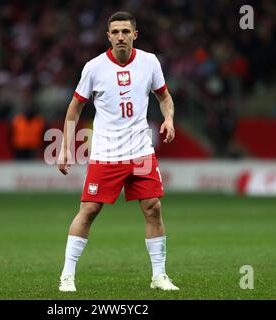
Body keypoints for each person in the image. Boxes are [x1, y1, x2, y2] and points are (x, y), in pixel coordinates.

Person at [57, 11, 178, 292]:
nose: (121, 36)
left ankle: (159, 276)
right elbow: (75, 107)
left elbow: (164, 96)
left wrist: (169, 118)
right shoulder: (94, 67)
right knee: (88, 210)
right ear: (108, 36)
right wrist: (65, 148)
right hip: (106, 152)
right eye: (116, 32)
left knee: (153, 208)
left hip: (140, 151)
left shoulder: (149, 62)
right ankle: (67, 275)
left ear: (135, 34)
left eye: (126, 31)